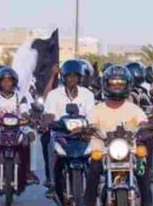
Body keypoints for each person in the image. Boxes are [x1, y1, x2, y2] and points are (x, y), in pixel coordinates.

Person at [84, 66, 153, 206]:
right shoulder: (97, 109)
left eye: (120, 83)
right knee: (93, 173)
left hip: (129, 152)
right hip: (102, 152)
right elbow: (89, 125)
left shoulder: (134, 109)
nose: (116, 87)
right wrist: (87, 129)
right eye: (113, 83)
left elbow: (143, 122)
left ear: (127, 85)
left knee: (143, 174)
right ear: (106, 85)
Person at [43, 59, 96, 201]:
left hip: (83, 134)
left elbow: (92, 116)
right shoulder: (54, 94)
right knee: (49, 144)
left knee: (97, 155)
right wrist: (48, 122)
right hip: (61, 133)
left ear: (80, 78)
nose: (72, 79)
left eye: (76, 76)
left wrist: (88, 127)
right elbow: (49, 114)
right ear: (64, 77)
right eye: (69, 76)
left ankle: (96, 181)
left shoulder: (87, 94)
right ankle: (52, 181)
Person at [0, 67, 39, 185]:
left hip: (19, 127)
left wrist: (29, 118)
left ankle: (30, 171)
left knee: (32, 136)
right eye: (4, 81)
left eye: (9, 80)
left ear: (14, 82)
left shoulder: (20, 97)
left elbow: (24, 112)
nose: (7, 83)